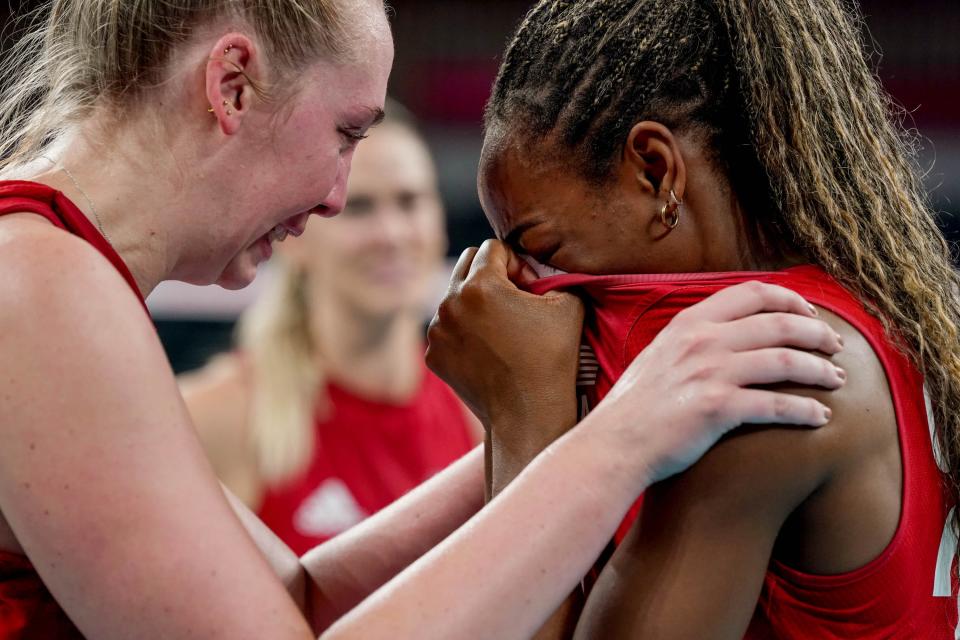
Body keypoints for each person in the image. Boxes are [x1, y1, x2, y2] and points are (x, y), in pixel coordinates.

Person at [0, 1, 845, 638]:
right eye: (344, 132)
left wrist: (562, 415)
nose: (336, 197)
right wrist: (622, 440)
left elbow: (298, 603)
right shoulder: (38, 284)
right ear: (232, 86)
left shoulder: (52, 272)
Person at [478, 0, 960, 637]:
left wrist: (520, 409)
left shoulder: (768, 373)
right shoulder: (880, 307)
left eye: (538, 249)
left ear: (656, 171)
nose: (518, 285)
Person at [181, 103, 480, 554]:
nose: (392, 234)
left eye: (409, 201)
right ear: (293, 233)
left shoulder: (481, 411)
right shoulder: (218, 420)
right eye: (359, 207)